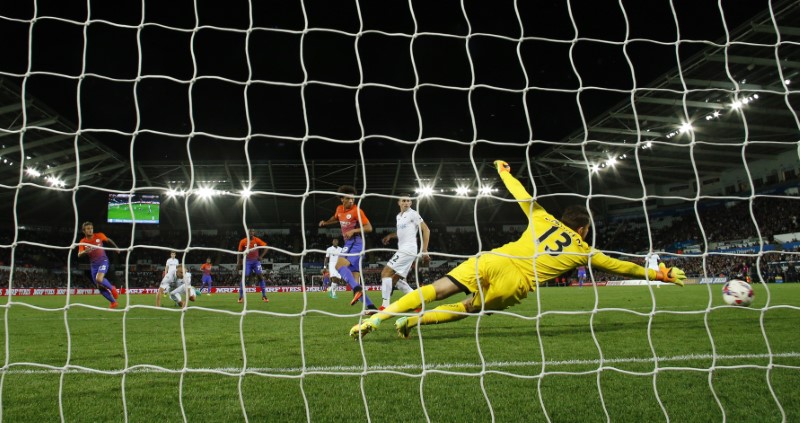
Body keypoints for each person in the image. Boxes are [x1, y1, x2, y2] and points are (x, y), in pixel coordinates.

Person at [350, 160, 687, 339]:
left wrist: (502, 171)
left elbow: (520, 193)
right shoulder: (585, 249)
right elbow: (620, 266)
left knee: (436, 289)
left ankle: (377, 320)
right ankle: (413, 323)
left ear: (564, 219)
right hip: (516, 283)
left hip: (495, 259)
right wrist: (661, 274)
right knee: (468, 307)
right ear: (582, 228)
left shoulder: (543, 217)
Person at [319, 185, 378, 311]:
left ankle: (357, 290)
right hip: (352, 244)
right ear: (342, 199)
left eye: (353, 198)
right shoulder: (339, 209)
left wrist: (354, 230)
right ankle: (371, 308)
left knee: (338, 266)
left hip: (354, 242)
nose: (351, 201)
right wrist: (326, 223)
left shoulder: (357, 211)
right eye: (348, 198)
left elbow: (369, 227)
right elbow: (335, 218)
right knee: (354, 280)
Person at [379, 194, 431, 310]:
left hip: (408, 249)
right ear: (399, 203)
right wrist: (390, 236)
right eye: (404, 201)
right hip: (404, 249)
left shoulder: (413, 214)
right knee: (396, 280)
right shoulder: (399, 216)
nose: (406, 203)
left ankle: (385, 306)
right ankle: (418, 303)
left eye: (408, 201)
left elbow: (426, 229)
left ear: (411, 203)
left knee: (385, 273)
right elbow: (401, 232)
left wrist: (425, 250)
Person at [77, 221, 120, 309]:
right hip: (93, 265)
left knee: (99, 279)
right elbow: (79, 254)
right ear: (84, 231)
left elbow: (109, 240)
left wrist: (116, 248)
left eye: (91, 228)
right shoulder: (83, 241)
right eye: (88, 229)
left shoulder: (99, 235)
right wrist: (85, 251)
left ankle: (112, 288)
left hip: (103, 261)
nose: (90, 230)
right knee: (99, 286)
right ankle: (113, 302)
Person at [237, 228, 270, 303]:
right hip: (247, 262)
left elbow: (266, 247)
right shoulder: (243, 241)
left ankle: (264, 296)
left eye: (252, 232)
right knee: (245, 276)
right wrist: (238, 262)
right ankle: (240, 297)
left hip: (256, 262)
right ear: (247, 233)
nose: (251, 233)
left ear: (254, 233)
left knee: (260, 276)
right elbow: (239, 252)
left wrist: (261, 256)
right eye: (250, 232)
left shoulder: (257, 240)